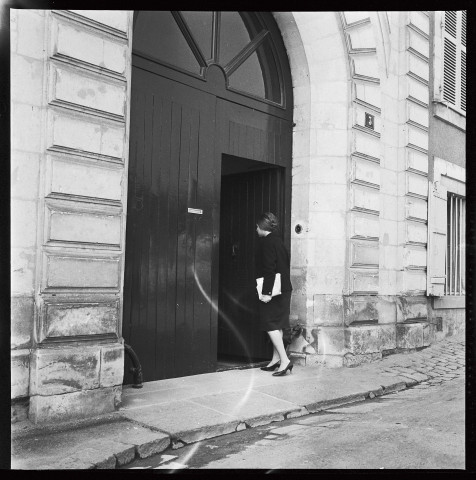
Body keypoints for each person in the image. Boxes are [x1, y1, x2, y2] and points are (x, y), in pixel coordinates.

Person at [255, 212, 293, 376]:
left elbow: (269, 270)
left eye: (257, 227)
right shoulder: (279, 242)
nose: (256, 229)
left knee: (270, 323)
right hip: (284, 288)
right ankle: (276, 360)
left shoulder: (267, 243)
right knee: (277, 324)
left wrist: (267, 293)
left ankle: (284, 361)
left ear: (262, 227)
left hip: (274, 291)